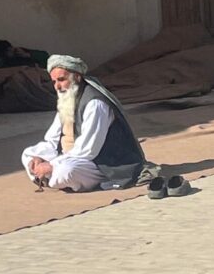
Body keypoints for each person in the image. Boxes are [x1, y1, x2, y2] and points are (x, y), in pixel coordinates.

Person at [21, 54, 148, 192]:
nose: (57, 86)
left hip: (101, 163)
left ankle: (50, 176)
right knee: (28, 154)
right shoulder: (67, 99)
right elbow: (52, 139)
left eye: (62, 80)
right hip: (69, 156)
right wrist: (39, 158)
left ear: (77, 77)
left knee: (65, 171)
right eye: (54, 82)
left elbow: (88, 150)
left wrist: (52, 165)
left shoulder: (95, 103)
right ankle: (49, 175)